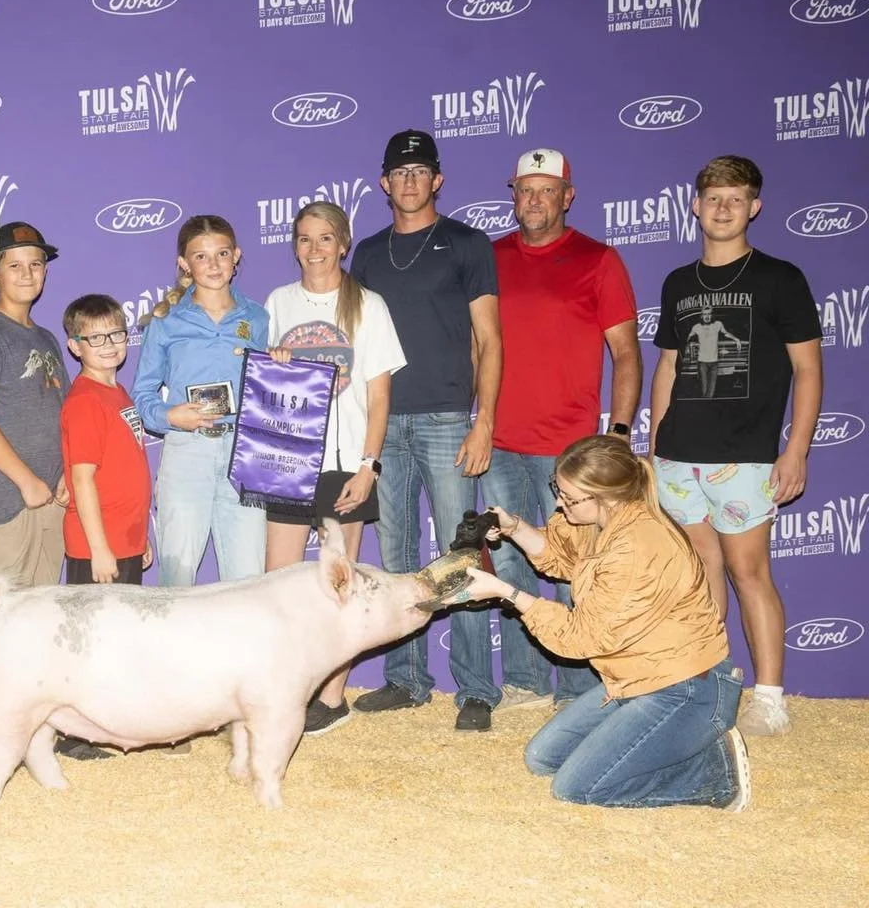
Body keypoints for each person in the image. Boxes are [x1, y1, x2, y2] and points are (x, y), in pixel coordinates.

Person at [436, 435, 752, 812]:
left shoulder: (636, 547)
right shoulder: (601, 517)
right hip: (632, 679)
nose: (558, 502)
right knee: (543, 758)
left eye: (568, 497)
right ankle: (680, 743)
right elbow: (559, 554)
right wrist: (514, 526)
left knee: (577, 788)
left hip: (684, 687)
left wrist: (509, 593)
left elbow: (580, 638)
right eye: (559, 490)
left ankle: (715, 772)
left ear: (605, 495)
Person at [650, 155, 822, 737]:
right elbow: (668, 367)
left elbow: (808, 371)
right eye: (712, 198)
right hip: (678, 456)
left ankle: (769, 696)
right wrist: (654, 450)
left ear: (755, 207)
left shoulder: (780, 278)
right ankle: (709, 682)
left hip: (746, 456)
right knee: (700, 571)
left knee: (750, 572)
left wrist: (796, 449)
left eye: (735, 198)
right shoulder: (678, 283)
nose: (723, 208)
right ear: (695, 206)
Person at [349, 130, 504, 731]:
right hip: (382, 422)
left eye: (421, 171)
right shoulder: (364, 252)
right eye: (399, 172)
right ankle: (408, 680)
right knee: (396, 556)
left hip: (445, 418)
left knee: (461, 553)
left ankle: (475, 690)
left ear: (437, 180)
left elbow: (489, 340)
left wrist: (482, 419)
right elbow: (351, 340)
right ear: (384, 182)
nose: (410, 181)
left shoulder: (468, 244)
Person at [481, 148, 642, 711]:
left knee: (580, 569)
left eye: (547, 190)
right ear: (514, 194)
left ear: (568, 197)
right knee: (509, 559)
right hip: (499, 442)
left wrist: (618, 433)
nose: (535, 200)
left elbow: (625, 353)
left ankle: (579, 688)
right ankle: (525, 682)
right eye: (526, 189)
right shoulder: (490, 257)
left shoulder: (599, 260)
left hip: (570, 450)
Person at [0, 222, 99, 759]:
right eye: (14, 265)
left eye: (36, 264)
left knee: (39, 617)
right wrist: (27, 481)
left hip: (48, 497)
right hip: (6, 499)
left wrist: (61, 473)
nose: (27, 274)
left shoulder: (42, 339)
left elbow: (58, 417)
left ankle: (34, 722)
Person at [263, 201, 405, 735]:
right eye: (304, 239)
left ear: (344, 243)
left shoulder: (368, 305)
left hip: (346, 465)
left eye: (326, 239)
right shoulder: (278, 302)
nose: (315, 249)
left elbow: (379, 395)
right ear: (294, 244)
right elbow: (261, 382)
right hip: (287, 458)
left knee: (339, 587)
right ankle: (281, 692)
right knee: (278, 583)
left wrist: (368, 467)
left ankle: (333, 696)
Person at [130, 215, 269, 588]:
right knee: (176, 580)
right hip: (187, 452)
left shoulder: (256, 316)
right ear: (184, 263)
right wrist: (170, 416)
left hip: (245, 454)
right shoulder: (166, 320)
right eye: (201, 256)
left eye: (222, 253)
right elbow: (142, 393)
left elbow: (270, 383)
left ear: (236, 256)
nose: (214, 265)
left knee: (248, 582)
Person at [60, 293, 153, 586]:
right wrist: (99, 549)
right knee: (100, 632)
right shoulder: (86, 401)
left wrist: (138, 539)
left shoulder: (118, 393)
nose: (109, 344)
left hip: (124, 540)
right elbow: (82, 480)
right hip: (98, 547)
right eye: (96, 338)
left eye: (115, 334)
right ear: (75, 347)